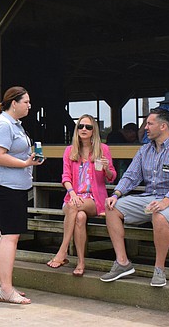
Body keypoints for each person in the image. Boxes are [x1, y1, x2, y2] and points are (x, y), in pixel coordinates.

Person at [101, 108, 169, 288]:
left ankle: (159, 269)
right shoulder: (144, 150)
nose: (145, 127)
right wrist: (116, 194)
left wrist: (165, 202)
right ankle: (122, 263)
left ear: (163, 126)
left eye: (149, 123)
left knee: (159, 216)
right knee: (112, 208)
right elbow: (130, 176)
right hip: (150, 199)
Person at [0, 86, 43, 304]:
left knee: (6, 235)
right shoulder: (3, 124)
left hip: (14, 186)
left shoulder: (14, 124)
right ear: (14, 103)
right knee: (11, 236)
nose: (29, 106)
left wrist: (29, 158)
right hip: (6, 186)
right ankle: (7, 290)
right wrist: (25, 163)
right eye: (26, 102)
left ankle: (2, 282)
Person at [48, 114, 116, 277]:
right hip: (73, 197)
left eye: (88, 127)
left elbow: (112, 176)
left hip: (94, 199)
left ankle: (62, 251)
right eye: (81, 126)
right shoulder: (70, 151)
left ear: (94, 131)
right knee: (79, 217)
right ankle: (80, 262)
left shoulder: (103, 149)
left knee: (74, 206)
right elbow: (65, 177)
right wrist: (72, 193)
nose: (84, 129)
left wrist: (107, 169)